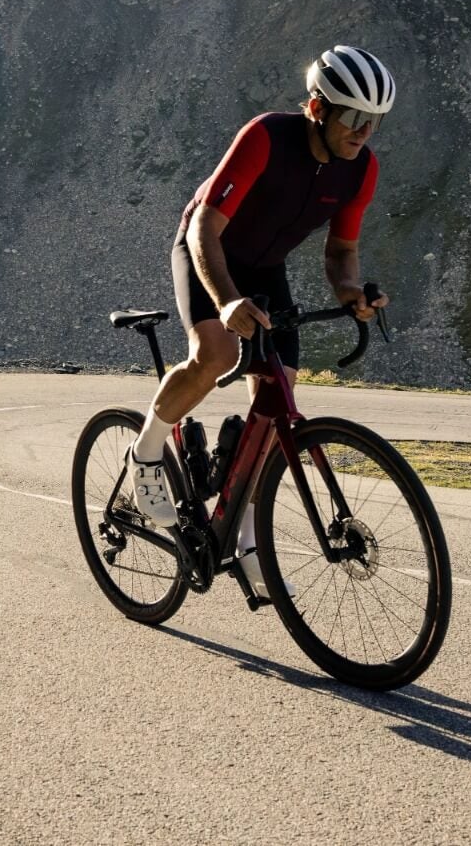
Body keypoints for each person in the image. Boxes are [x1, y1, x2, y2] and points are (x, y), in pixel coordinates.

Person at [130, 45, 394, 587]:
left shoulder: (361, 170)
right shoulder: (267, 137)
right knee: (217, 353)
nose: (364, 131)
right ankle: (148, 447)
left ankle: (247, 538)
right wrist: (225, 300)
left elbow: (342, 254)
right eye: (353, 117)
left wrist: (351, 295)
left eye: (375, 120)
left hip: (266, 267)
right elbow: (205, 229)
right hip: (208, 249)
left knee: (278, 399)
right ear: (319, 109)